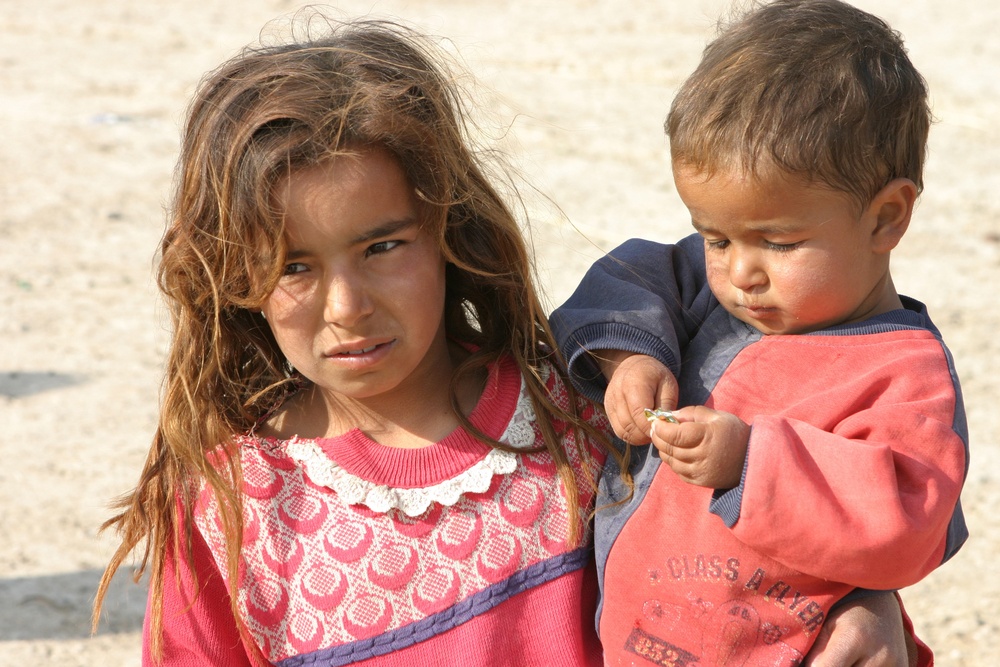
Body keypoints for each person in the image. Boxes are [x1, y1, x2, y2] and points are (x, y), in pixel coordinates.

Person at [90, 11, 920, 667]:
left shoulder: (587, 412)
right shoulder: (235, 507)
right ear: (233, 275)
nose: (346, 305)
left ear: (447, 227)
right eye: (293, 266)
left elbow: (758, 572)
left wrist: (866, 605)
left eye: (383, 246)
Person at [550, 0, 969, 665]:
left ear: (886, 217)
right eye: (716, 236)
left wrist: (751, 462)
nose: (740, 272)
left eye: (777, 241)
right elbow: (626, 277)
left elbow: (908, 525)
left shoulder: (902, 374)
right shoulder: (707, 285)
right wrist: (627, 356)